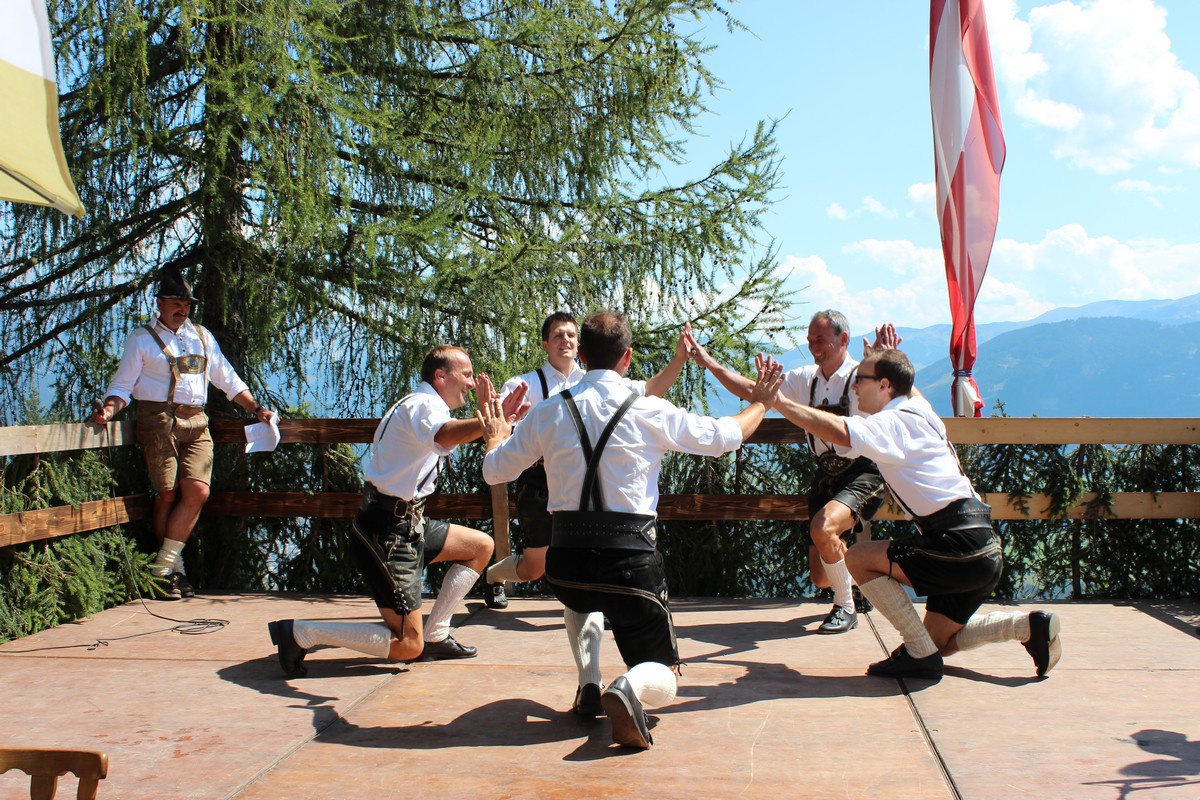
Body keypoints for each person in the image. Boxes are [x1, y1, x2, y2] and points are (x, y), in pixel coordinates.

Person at [479, 311, 783, 749]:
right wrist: (761, 404)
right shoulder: (648, 409)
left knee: (583, 597)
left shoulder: (548, 412)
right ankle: (629, 686)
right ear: (627, 357)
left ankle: (589, 682)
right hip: (630, 566)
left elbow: (495, 471)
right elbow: (722, 438)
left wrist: (496, 435)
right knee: (666, 675)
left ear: (583, 356)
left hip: (566, 568)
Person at [768, 347, 1062, 681]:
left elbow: (838, 430)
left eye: (861, 379)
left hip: (955, 546)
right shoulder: (919, 409)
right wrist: (891, 356)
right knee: (939, 642)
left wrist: (779, 402)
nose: (854, 386)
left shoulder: (891, 423)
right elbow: (909, 389)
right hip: (982, 546)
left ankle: (918, 655)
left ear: (884, 385)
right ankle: (1025, 626)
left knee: (859, 558)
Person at [267, 346, 528, 676]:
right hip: (386, 533)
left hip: (408, 523)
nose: (472, 383)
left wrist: (495, 420)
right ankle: (299, 633)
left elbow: (445, 435)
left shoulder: (422, 405)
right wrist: (488, 422)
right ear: (440, 376)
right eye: (466, 375)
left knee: (480, 547)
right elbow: (444, 435)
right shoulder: (423, 404)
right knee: (407, 645)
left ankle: (436, 635)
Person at [685, 311, 896, 634]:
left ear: (843, 339)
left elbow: (894, 401)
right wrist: (709, 362)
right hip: (825, 475)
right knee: (820, 576)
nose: (813, 347)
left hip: (863, 472)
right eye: (810, 340)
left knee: (822, 528)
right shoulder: (806, 379)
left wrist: (885, 363)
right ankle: (858, 577)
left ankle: (845, 607)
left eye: (820, 340)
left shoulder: (861, 377)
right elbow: (754, 391)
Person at [483, 312, 692, 608]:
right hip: (538, 479)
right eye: (557, 335)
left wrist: (679, 360)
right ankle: (493, 575)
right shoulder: (522, 385)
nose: (565, 340)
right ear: (544, 344)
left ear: (580, 347)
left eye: (571, 334)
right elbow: (504, 429)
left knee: (583, 549)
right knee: (535, 566)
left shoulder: (598, 378)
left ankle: (590, 605)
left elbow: (648, 390)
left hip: (582, 474)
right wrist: (498, 428)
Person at [91, 266, 276, 600]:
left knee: (198, 491)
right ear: (159, 303)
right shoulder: (141, 339)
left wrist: (257, 408)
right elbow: (122, 386)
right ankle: (172, 573)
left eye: (187, 304)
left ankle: (162, 568)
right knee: (167, 494)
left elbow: (227, 379)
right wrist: (107, 411)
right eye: (176, 303)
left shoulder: (201, 337)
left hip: (197, 420)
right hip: (157, 420)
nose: (182, 310)